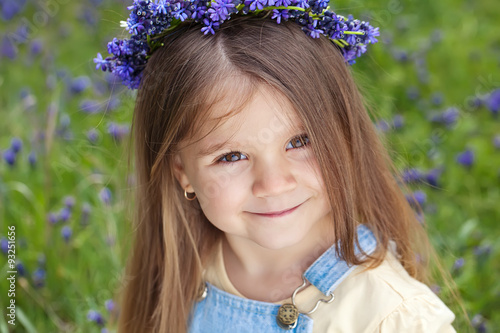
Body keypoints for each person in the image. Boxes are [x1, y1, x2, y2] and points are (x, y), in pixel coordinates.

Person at [95, 1, 458, 332]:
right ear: (182, 172)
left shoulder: (392, 317)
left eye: (300, 141)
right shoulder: (185, 268)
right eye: (231, 156)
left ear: (347, 138)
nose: (273, 184)